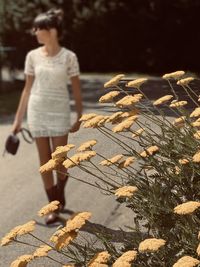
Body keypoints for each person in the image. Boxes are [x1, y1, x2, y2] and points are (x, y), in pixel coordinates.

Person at [12, 9, 82, 224]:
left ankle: (59, 196)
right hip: (37, 112)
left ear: (51, 31)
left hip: (60, 113)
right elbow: (27, 89)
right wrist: (17, 120)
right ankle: (53, 205)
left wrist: (79, 115)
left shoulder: (69, 57)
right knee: (45, 162)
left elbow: (77, 89)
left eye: (38, 28)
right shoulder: (32, 56)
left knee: (59, 161)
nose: (35, 32)